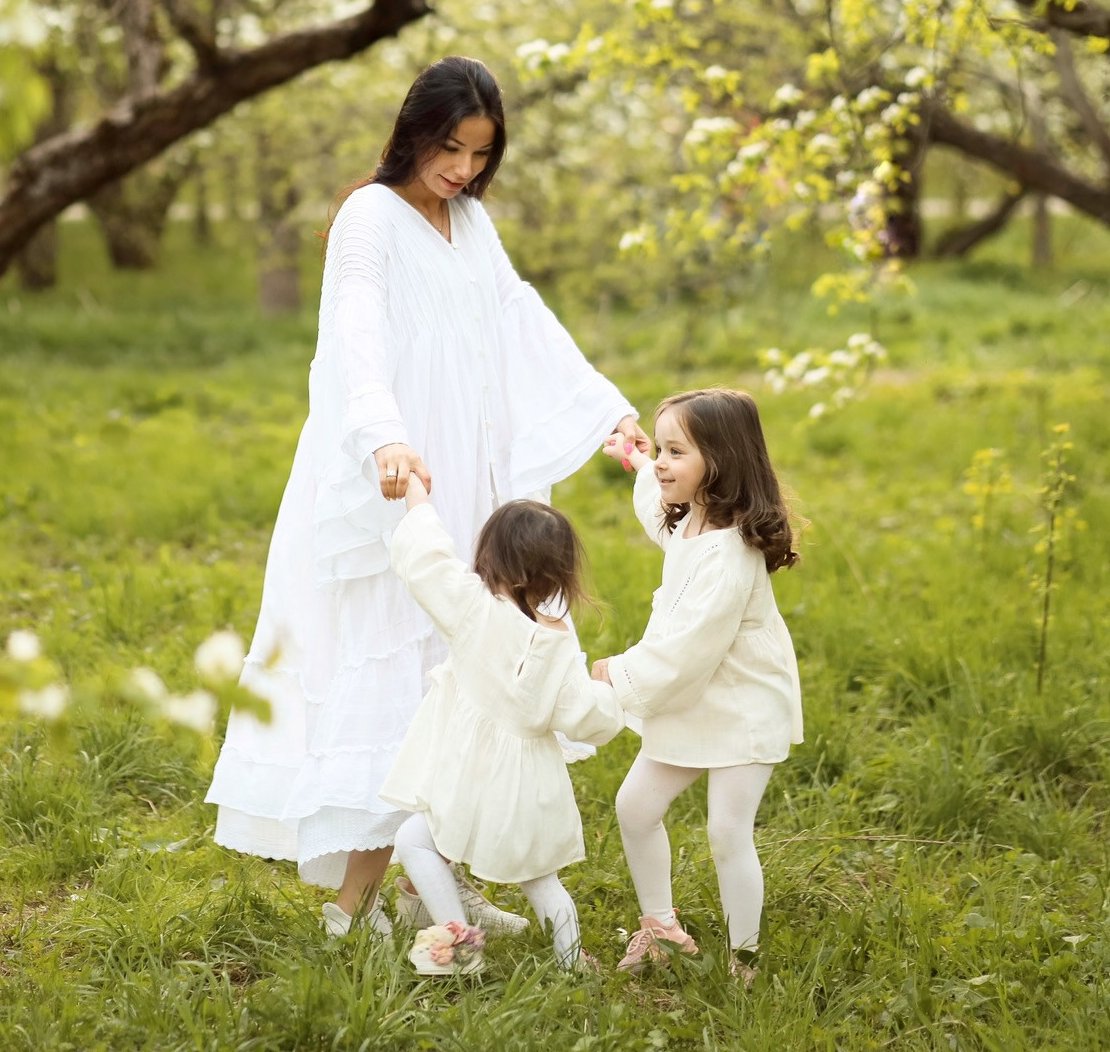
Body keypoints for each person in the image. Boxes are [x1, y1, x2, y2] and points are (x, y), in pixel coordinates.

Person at [205, 56, 648, 938]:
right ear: (414, 133)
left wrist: (604, 408)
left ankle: (430, 885)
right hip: (407, 472)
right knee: (403, 674)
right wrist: (382, 433)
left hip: (478, 468)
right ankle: (352, 908)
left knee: (471, 681)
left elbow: (519, 316)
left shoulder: (471, 222)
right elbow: (354, 332)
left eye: (481, 154)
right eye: (452, 148)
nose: (465, 170)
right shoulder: (367, 218)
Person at [591, 387, 804, 981]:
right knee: (635, 807)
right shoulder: (685, 519)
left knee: (727, 831)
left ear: (720, 461)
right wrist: (638, 459)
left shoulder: (729, 557)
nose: (662, 462)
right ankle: (660, 928)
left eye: (675, 452)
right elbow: (652, 508)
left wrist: (618, 674)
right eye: (660, 448)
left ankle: (745, 959)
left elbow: (685, 653)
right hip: (692, 695)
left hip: (740, 700)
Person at [379, 475, 623, 974]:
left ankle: (458, 945)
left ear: (490, 554)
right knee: (541, 880)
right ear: (557, 573)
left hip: (465, 780)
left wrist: (418, 498)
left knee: (414, 840)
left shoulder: (472, 607)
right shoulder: (558, 646)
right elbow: (586, 719)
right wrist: (611, 691)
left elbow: (426, 562)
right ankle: (572, 962)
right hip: (526, 789)